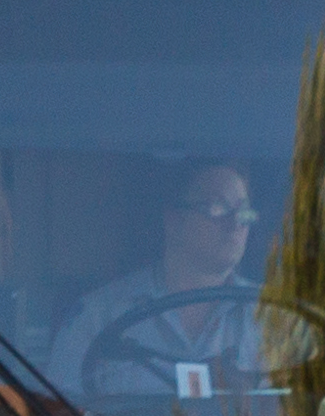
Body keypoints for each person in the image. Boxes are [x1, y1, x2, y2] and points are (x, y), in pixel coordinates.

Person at [48, 164, 269, 398]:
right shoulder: (97, 317)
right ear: (173, 220)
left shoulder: (278, 318)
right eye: (217, 207)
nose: (236, 224)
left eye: (243, 211)